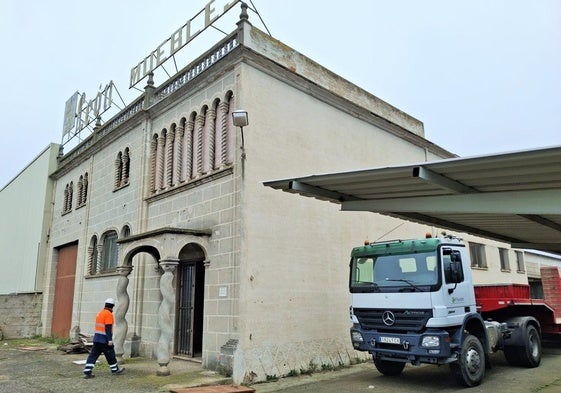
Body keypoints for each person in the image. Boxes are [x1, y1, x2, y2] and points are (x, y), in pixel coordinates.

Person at [83, 298, 125, 379]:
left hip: (97, 339)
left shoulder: (100, 313)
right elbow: (108, 328)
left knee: (93, 356)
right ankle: (115, 370)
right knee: (111, 355)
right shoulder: (108, 314)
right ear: (112, 306)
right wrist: (109, 340)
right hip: (104, 340)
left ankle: (87, 372)